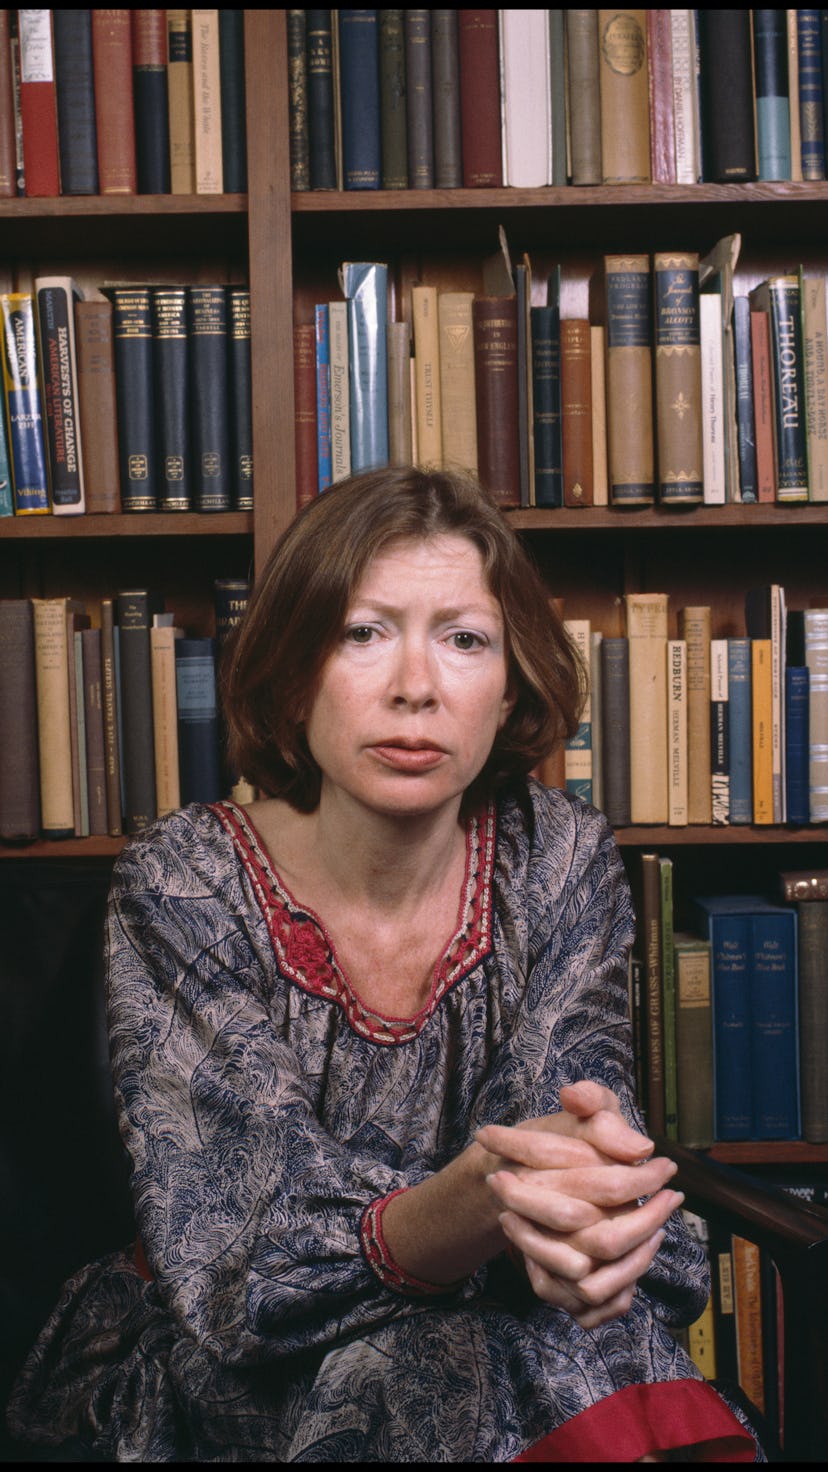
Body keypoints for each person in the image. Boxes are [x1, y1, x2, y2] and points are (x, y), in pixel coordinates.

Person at [7, 467, 760, 1462]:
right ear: (292, 666)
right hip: (236, 1353)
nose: (416, 684)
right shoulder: (185, 872)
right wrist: (484, 1197)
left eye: (464, 638)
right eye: (365, 631)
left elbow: (571, 1155)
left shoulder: (563, 852)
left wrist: (586, 1223)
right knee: (430, 1366)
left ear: (511, 682)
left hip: (504, 1327)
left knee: (542, 1344)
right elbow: (246, 1261)